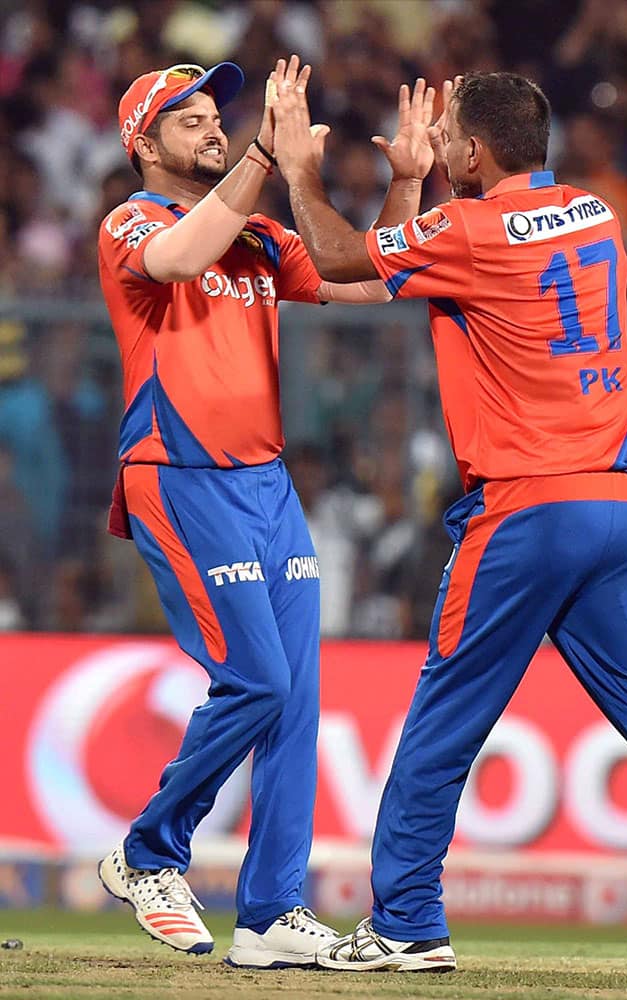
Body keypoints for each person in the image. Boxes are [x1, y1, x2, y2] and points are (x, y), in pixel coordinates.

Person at [269, 64, 627, 982]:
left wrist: (299, 170)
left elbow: (345, 265)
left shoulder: (468, 231)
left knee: (444, 717)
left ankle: (406, 920)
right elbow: (408, 264)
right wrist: (412, 180)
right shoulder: (595, 212)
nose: (441, 140)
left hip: (531, 508)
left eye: (449, 133)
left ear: (476, 150)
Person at [95, 56, 435, 969]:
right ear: (143, 143)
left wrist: (404, 185)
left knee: (297, 702)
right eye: (188, 119)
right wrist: (261, 156)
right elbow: (173, 259)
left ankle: (269, 914)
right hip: (179, 474)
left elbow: (369, 281)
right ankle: (146, 854)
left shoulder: (253, 232)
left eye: (218, 115)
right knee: (257, 683)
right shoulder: (132, 221)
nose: (210, 127)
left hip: (267, 486)